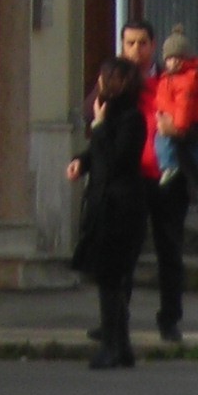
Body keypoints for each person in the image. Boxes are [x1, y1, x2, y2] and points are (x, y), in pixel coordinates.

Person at [66, 56, 151, 370]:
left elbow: (117, 158)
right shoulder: (110, 116)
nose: (100, 84)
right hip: (105, 204)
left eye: (106, 79)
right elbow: (97, 154)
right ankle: (121, 345)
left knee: (112, 278)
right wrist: (81, 161)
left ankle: (113, 345)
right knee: (108, 278)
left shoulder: (132, 119)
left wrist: (99, 128)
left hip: (122, 208)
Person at [118, 20, 191, 343]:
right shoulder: (116, 79)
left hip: (168, 179)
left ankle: (169, 320)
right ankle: (116, 318)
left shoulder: (171, 77)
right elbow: (91, 110)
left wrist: (180, 130)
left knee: (169, 250)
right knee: (123, 251)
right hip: (131, 179)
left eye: (142, 43)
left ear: (153, 45)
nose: (136, 50)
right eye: (130, 43)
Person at [154, 27, 198, 197]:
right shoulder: (170, 77)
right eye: (169, 58)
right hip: (179, 117)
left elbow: (184, 106)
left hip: (180, 120)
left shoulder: (185, 80)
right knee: (191, 146)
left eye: (178, 58)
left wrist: (179, 128)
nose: (173, 62)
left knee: (163, 141)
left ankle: (168, 165)